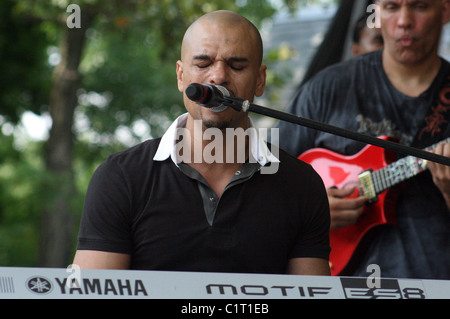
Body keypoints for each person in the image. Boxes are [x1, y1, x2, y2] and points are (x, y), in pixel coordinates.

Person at [72, 10, 331, 275]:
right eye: (203, 64)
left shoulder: (303, 186)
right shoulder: (121, 177)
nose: (218, 77)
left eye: (237, 65)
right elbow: (95, 291)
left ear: (260, 80)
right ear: (181, 76)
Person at [277, 0, 450, 279]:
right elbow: (266, 182)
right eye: (392, 7)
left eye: (419, 6)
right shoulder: (328, 87)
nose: (404, 20)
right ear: (377, 14)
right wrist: (310, 212)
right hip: (334, 285)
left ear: (444, 11)